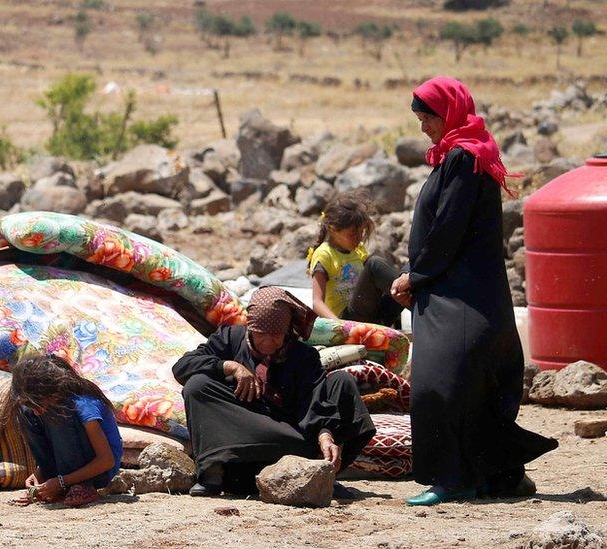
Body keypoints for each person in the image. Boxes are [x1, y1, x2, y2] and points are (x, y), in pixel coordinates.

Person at [391, 76, 558, 506]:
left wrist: (417, 275)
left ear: (447, 112)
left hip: (461, 295)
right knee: (464, 385)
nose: (423, 127)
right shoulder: (458, 155)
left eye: (427, 117)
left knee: (439, 384)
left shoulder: (465, 158)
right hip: (452, 291)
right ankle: (497, 475)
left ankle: (456, 478)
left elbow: (449, 228)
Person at [172, 286, 375, 497]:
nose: (268, 342)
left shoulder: (303, 355)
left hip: (293, 436)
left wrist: (326, 436)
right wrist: (231, 367)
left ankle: (323, 474)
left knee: (342, 381)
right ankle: (212, 471)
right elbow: (182, 366)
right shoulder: (230, 338)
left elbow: (314, 402)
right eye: (261, 335)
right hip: (243, 436)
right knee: (197, 385)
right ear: (250, 328)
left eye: (276, 335)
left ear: (287, 331)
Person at [9, 355, 123, 507]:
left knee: (59, 414)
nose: (36, 412)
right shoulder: (47, 405)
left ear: (53, 391)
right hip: (65, 472)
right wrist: (41, 474)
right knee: (24, 412)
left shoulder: (82, 405)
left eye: (37, 404)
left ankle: (83, 484)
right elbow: (58, 445)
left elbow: (106, 461)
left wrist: (61, 482)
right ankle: (54, 481)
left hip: (98, 472)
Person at [307, 191, 403, 328]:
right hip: (348, 320)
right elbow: (317, 302)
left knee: (408, 270)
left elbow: (372, 285)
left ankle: (426, 308)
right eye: (352, 234)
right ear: (333, 229)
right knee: (375, 264)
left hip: (374, 316)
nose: (358, 238)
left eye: (361, 233)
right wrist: (341, 327)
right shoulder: (324, 254)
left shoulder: (358, 250)